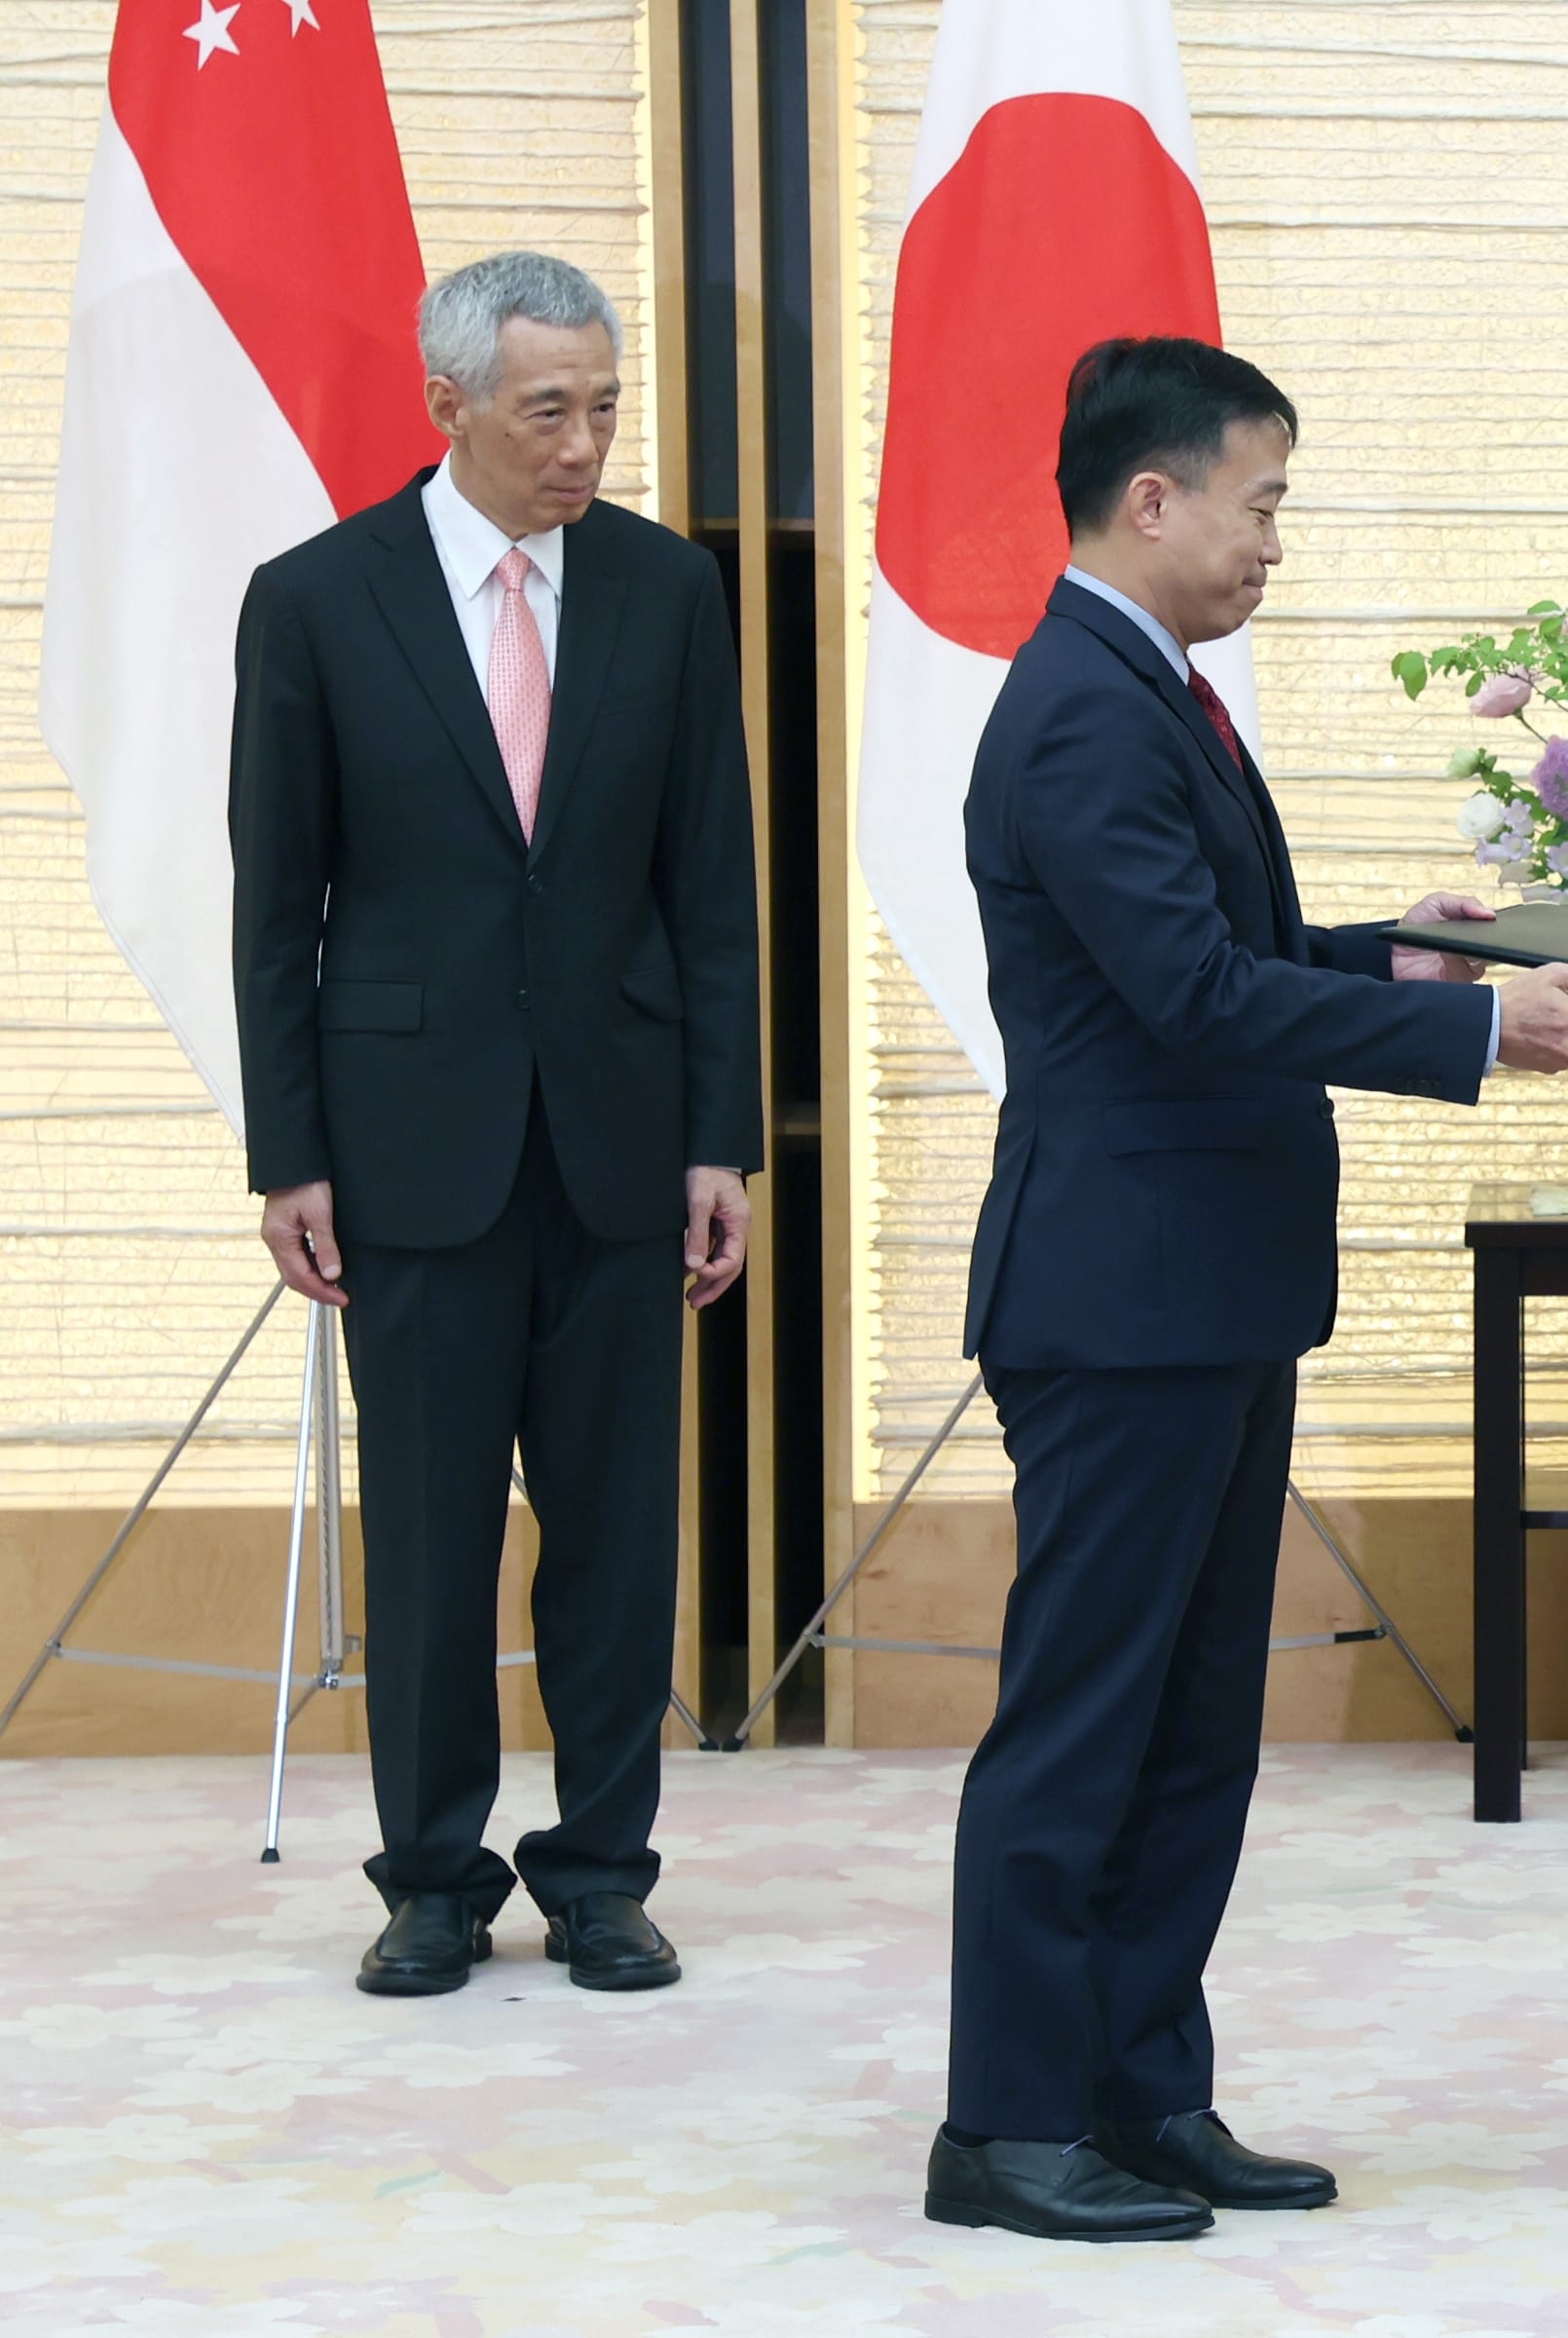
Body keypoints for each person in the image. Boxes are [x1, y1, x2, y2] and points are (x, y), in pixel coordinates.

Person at [924, 337, 1568, 2244]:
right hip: (1121, 1296)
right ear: (1149, 499)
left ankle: (1146, 2095)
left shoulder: (1152, 693)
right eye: (1261, 503)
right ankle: (1007, 2125)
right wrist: (1479, 1033)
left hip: (1209, 1292)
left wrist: (1406, 957)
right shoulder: (1082, 706)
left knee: (1188, 1724)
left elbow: (1233, 949)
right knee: (1086, 1722)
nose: (1270, 544)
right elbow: (1190, 1000)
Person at [230, 252, 761, 1999]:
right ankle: (434, 1880)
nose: (587, 443)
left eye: (606, 405)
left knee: (616, 1538)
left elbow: (712, 889)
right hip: (408, 1147)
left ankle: (603, 1871)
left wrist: (720, 1139)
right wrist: (287, 1155)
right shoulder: (314, 601)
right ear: (447, 402)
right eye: (551, 409)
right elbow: (275, 905)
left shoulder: (668, 593)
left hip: (619, 1139)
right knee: (437, 1537)